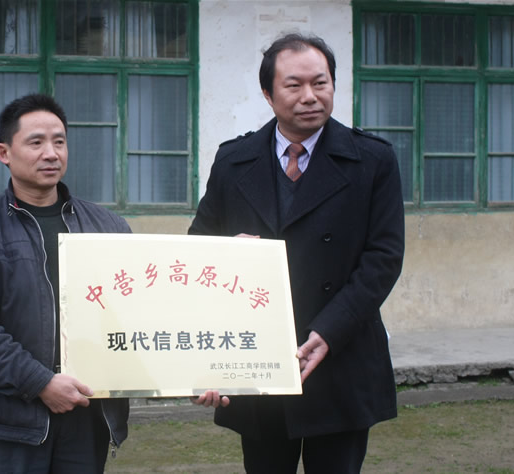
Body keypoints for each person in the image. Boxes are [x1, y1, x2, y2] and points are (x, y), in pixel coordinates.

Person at [189, 33, 405, 473]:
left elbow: (384, 256)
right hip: (257, 357)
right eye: (294, 85)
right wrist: (227, 253)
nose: (310, 96)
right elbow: (200, 248)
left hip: (341, 353)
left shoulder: (372, 160)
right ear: (268, 94)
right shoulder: (234, 160)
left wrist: (329, 330)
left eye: (320, 83)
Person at [0, 93, 130, 473]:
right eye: (36, 142)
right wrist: (41, 383)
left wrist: (193, 376)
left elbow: (138, 314)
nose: (51, 153)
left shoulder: (108, 227)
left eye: (59, 142)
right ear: (4, 153)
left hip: (86, 410)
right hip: (11, 418)